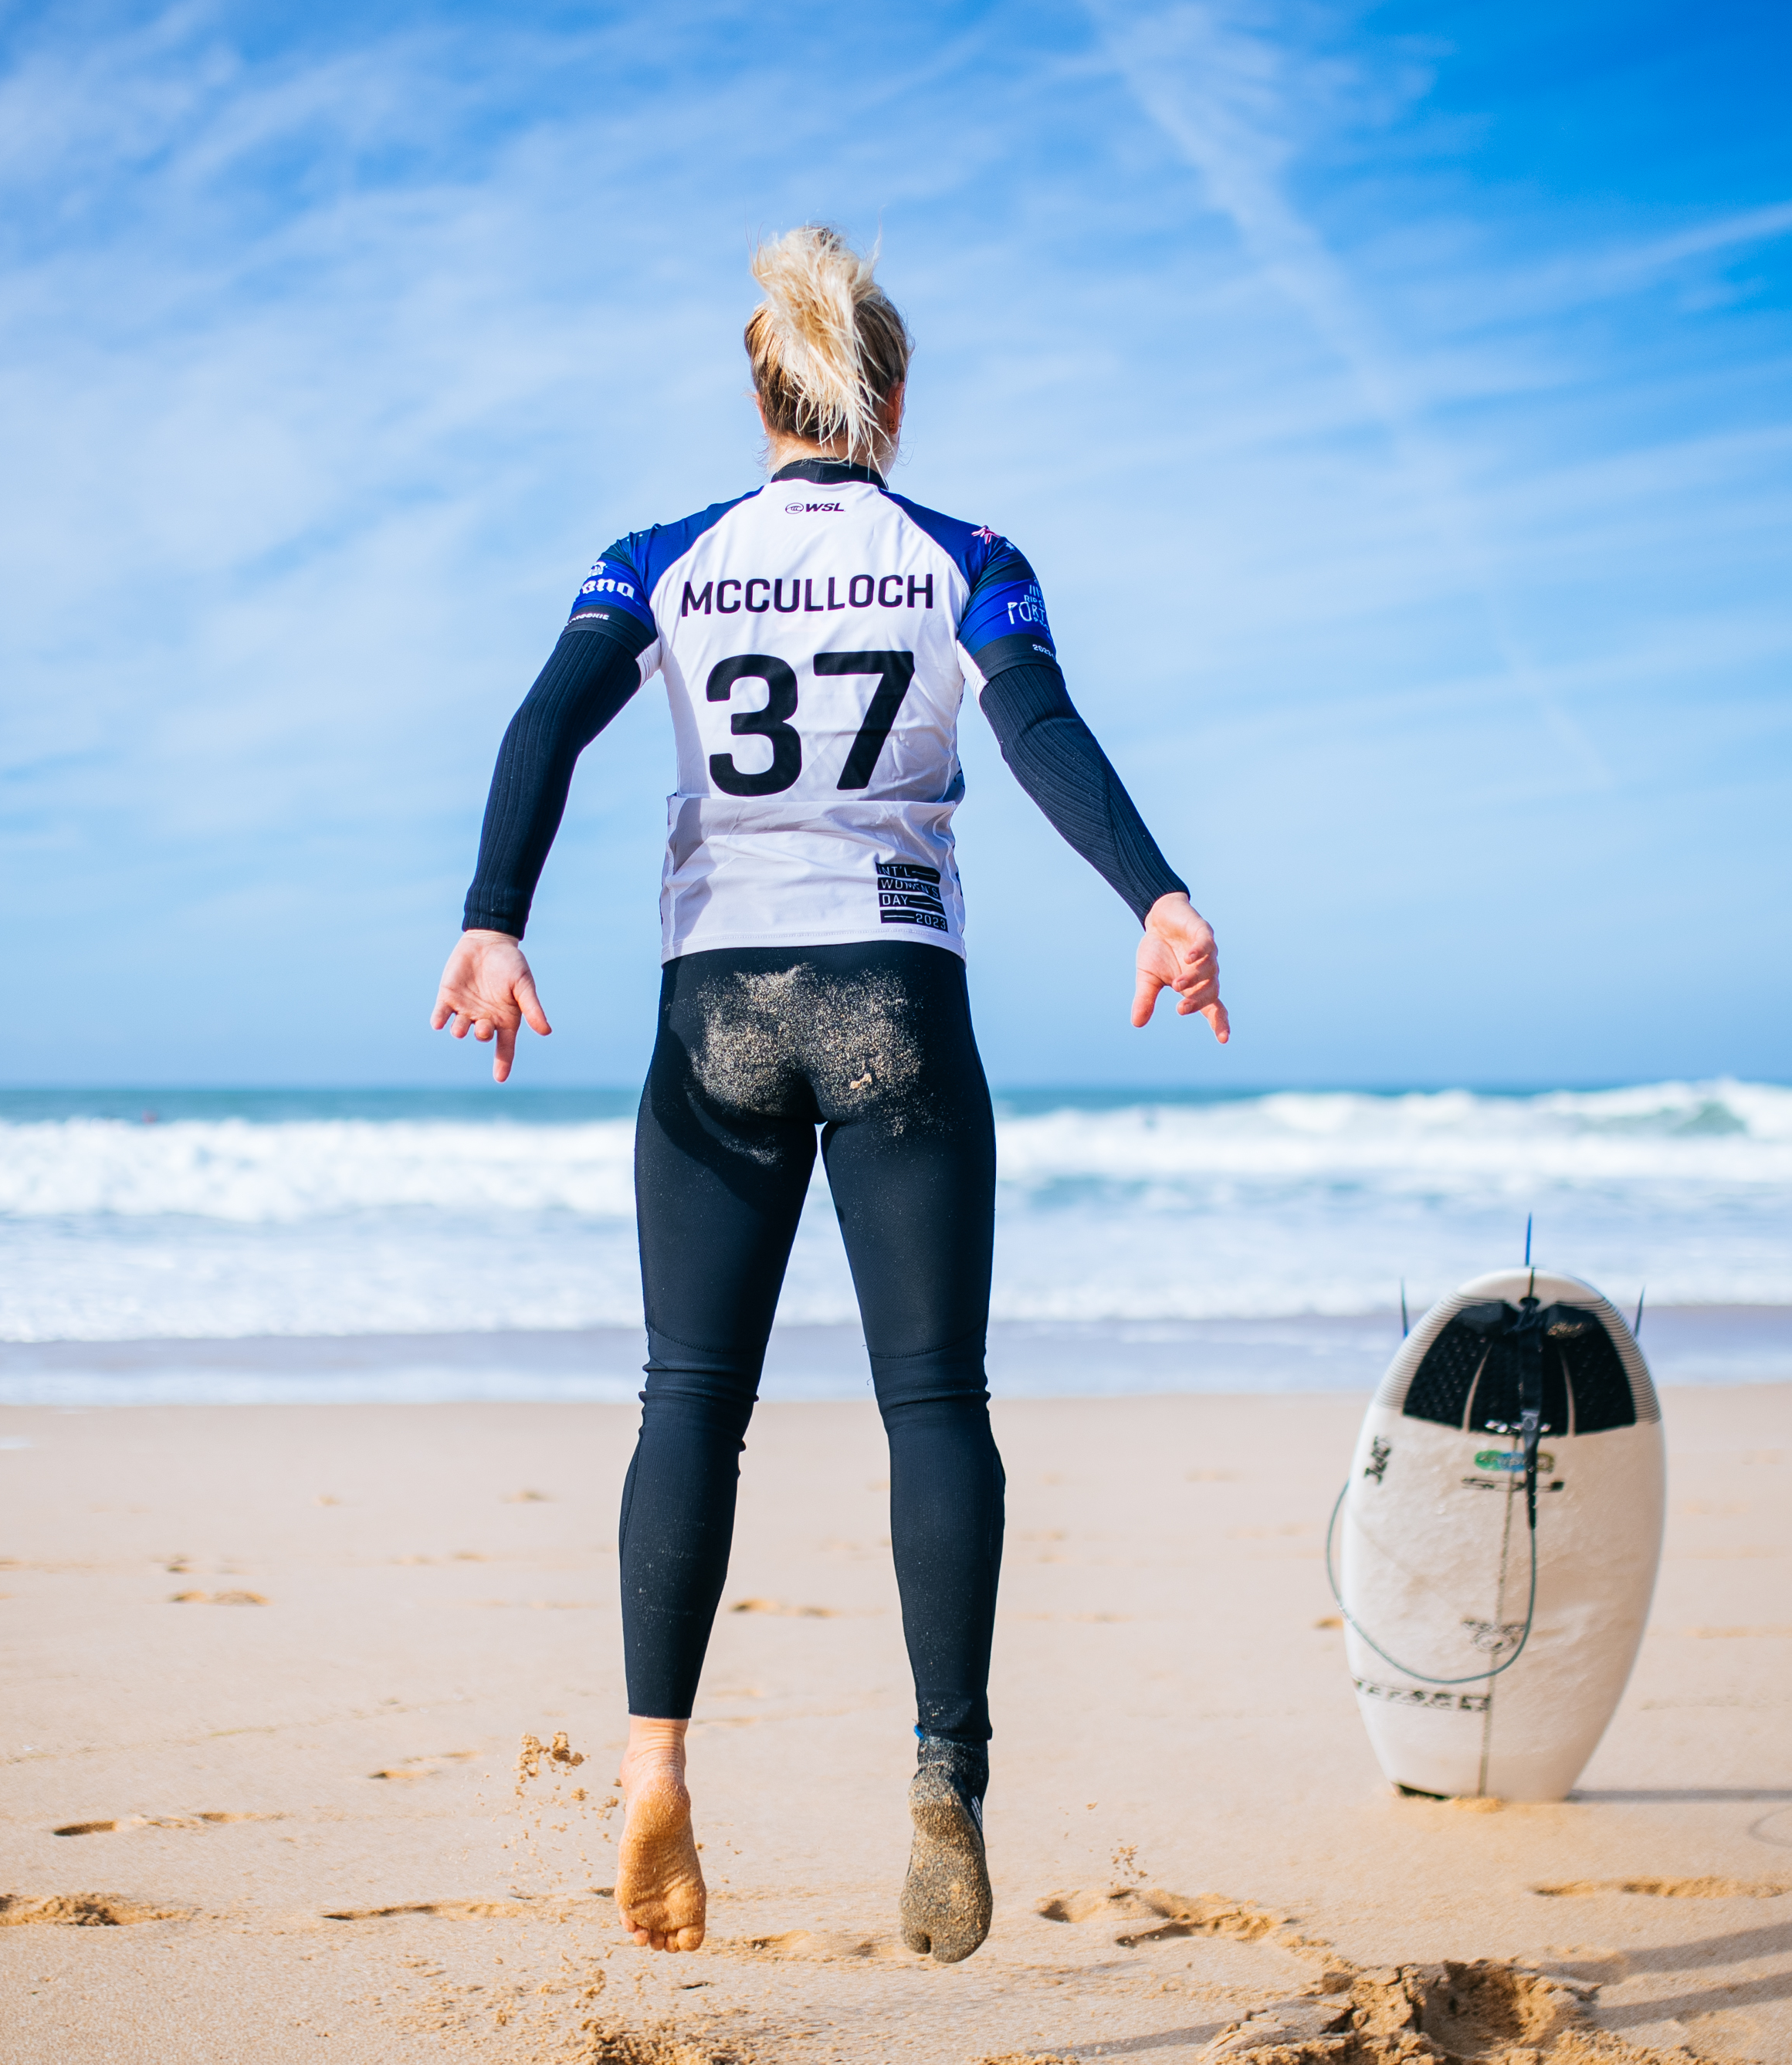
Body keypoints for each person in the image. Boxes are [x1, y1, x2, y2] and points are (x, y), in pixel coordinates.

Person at [431, 225, 1228, 1965]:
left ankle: (655, 1763)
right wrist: (1158, 898)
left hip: (715, 1003)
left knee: (687, 1404)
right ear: (893, 393)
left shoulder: (656, 559)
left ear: (758, 383)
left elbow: (543, 726)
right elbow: (1039, 734)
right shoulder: (968, 556)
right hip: (896, 995)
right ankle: (946, 1774)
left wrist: (493, 922)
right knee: (933, 1402)